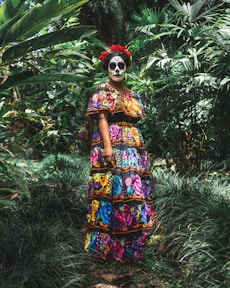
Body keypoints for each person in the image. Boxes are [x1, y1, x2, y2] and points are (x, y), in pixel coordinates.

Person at [84, 44, 156, 263]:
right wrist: (107, 147)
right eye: (112, 66)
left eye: (120, 65)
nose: (116, 69)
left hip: (133, 146)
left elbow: (137, 121)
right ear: (107, 68)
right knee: (110, 191)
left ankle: (131, 248)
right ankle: (107, 249)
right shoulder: (103, 91)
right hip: (111, 142)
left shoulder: (132, 94)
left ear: (126, 68)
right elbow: (103, 118)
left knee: (131, 193)